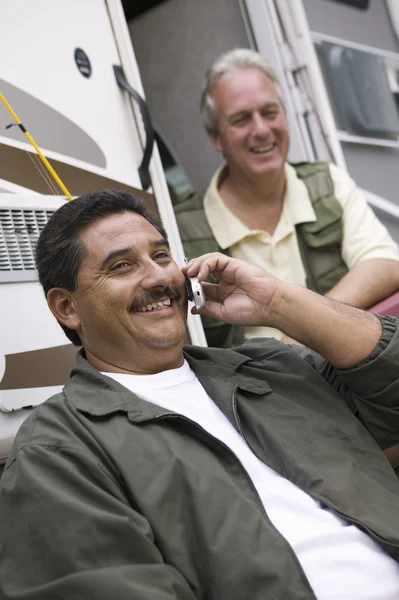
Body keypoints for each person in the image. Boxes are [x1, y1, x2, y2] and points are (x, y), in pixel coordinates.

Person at [1, 189, 399, 600]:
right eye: (121, 266)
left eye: (160, 256)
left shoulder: (273, 367)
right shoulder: (58, 448)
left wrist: (281, 303)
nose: (158, 278)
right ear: (67, 307)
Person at [174, 48, 399, 347]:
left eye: (270, 113)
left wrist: (300, 328)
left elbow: (385, 263)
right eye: (241, 120)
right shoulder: (182, 228)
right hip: (256, 390)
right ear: (216, 137)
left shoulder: (325, 182)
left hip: (346, 370)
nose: (262, 130)